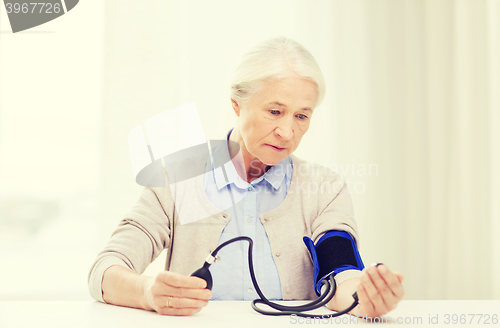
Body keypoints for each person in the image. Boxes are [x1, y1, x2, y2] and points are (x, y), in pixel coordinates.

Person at [88, 36, 404, 317]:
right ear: (237, 105)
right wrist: (147, 293)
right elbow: (105, 270)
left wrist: (364, 298)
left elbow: (340, 271)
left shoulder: (325, 188)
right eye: (275, 111)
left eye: (302, 115)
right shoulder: (178, 177)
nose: (287, 131)